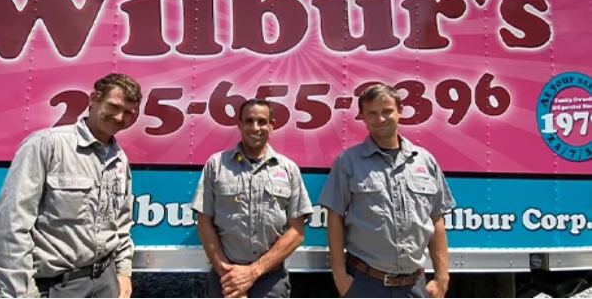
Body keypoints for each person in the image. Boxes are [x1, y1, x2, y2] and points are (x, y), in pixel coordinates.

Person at [0, 73, 142, 298]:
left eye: (129, 112)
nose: (120, 117)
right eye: (114, 106)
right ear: (93, 99)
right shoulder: (47, 145)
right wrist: (20, 294)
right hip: (57, 286)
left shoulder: (119, 159)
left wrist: (123, 271)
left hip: (105, 283)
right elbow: (11, 225)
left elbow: (120, 223)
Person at [318, 83, 455, 298]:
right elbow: (334, 218)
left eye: (387, 111)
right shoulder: (348, 162)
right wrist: (340, 276)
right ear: (362, 117)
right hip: (365, 284)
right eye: (372, 113)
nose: (380, 119)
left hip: (414, 286)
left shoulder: (425, 161)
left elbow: (436, 220)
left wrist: (442, 277)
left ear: (400, 111)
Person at [191, 99, 314, 298]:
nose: (255, 127)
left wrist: (252, 272)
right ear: (239, 125)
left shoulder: (288, 169)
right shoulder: (216, 165)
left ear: (272, 125)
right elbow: (204, 223)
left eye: (262, 121)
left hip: (270, 280)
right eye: (249, 121)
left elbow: (297, 231)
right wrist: (229, 276)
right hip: (226, 279)